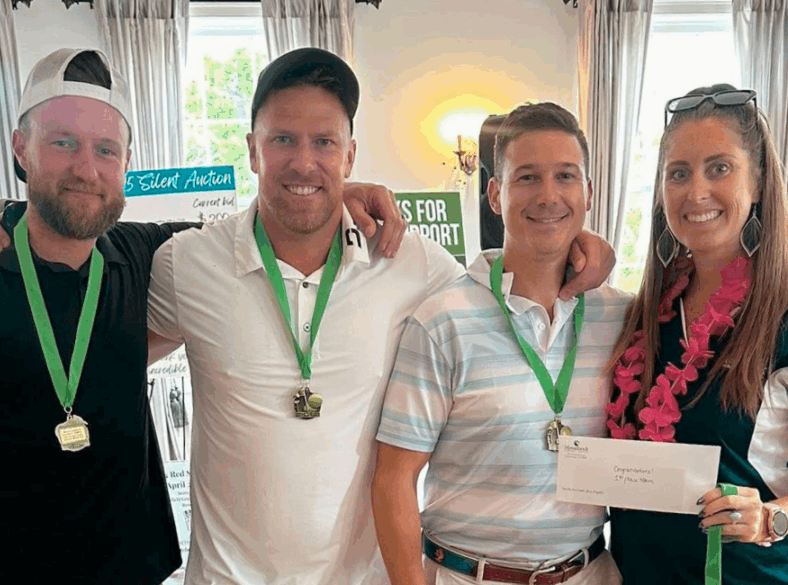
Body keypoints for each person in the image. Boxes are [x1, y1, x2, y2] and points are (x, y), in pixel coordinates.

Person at [0, 47, 404, 585]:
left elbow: (261, 226)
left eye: (106, 150)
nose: (86, 168)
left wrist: (328, 195)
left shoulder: (145, 256)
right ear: (20, 149)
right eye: (63, 143)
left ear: (127, 163)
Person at [142, 49, 616, 585]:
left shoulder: (411, 263)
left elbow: (506, 280)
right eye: (282, 140)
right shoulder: (187, 263)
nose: (303, 161)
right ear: (252, 150)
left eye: (324, 142)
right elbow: (118, 360)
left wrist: (573, 242)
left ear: (349, 156)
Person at [604, 84, 788, 585]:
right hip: (642, 573)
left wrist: (772, 517)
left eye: (719, 168)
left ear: (757, 183)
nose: (696, 191)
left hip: (759, 575)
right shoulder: (648, 316)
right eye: (678, 173)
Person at [370, 102, 628, 585]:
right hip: (469, 576)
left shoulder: (621, 316)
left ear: (589, 193)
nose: (548, 196)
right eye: (527, 177)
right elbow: (392, 479)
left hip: (590, 572)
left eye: (566, 176)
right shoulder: (442, 321)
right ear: (494, 194)